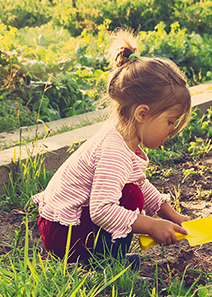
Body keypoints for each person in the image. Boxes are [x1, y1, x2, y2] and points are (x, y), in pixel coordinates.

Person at [32, 29, 191, 267]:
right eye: (170, 121)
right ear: (142, 114)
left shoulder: (124, 139)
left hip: (64, 228)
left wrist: (170, 215)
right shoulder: (113, 151)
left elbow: (138, 181)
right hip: (63, 234)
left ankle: (102, 256)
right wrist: (151, 225)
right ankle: (104, 263)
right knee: (131, 197)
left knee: (131, 191)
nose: (173, 129)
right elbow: (101, 211)